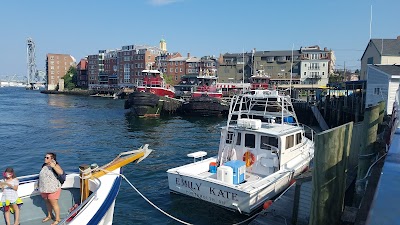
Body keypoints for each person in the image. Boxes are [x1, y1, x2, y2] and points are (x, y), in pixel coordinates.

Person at [39, 153, 64, 225]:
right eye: (45, 157)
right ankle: (49, 215)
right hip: (44, 188)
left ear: (52, 159)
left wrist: (54, 166)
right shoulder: (44, 166)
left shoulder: (55, 165)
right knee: (47, 203)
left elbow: (61, 173)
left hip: (53, 188)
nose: (45, 158)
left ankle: (57, 219)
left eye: (47, 157)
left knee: (54, 204)